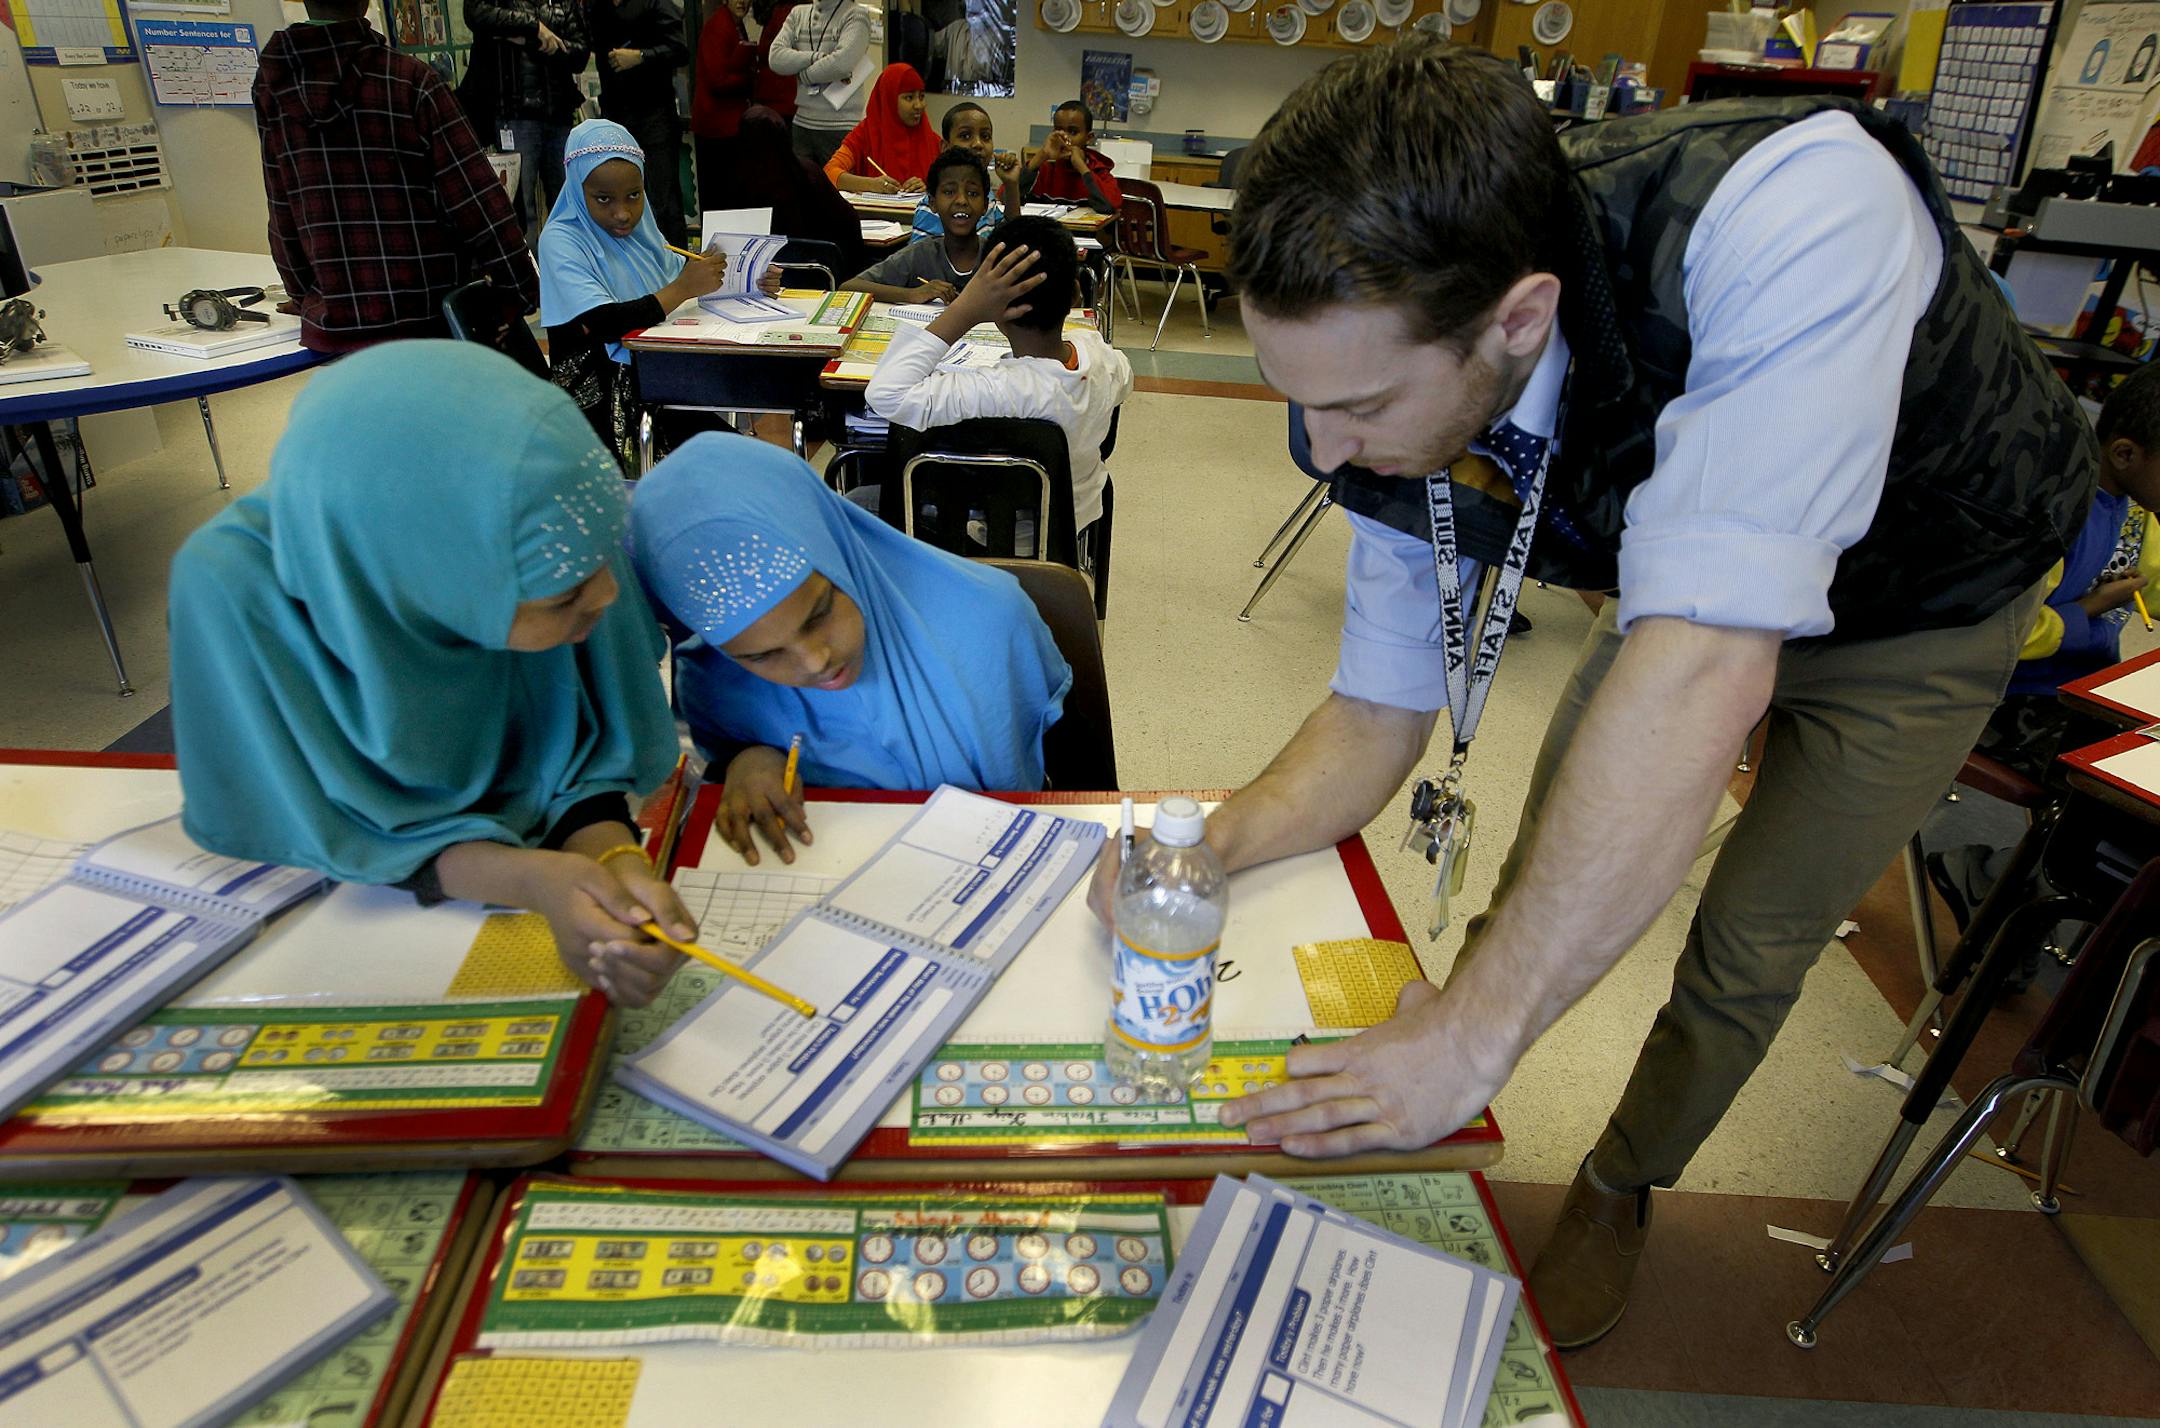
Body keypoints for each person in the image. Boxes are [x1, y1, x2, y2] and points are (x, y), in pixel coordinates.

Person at [1084, 41, 2093, 1348]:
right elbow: (1378, 710)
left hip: (1928, 600)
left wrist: (1474, 1036)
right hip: (1694, 575)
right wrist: (1205, 848)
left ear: (1519, 318)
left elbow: (1706, 669)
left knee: (1748, 947)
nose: (1325, 451)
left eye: (1363, 403)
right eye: (1300, 398)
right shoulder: (1378, 382)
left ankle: (1622, 1182)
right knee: (1538, 878)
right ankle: (1455, 1089)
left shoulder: (1791, 207)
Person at [168, 342, 692, 1009]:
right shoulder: (236, 595)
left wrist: (616, 864)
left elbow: (579, 762)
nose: (608, 597)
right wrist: (533, 880)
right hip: (337, 943)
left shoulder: (557, 539)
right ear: (433, 583)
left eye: (603, 561)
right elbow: (338, 829)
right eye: (563, 597)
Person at [629, 434, 1072, 865]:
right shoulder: (713, 681)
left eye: (819, 613)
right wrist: (748, 759)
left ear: (834, 545)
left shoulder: (989, 626)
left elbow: (1049, 788)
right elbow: (725, 754)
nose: (816, 660)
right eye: (762, 656)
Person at [1930, 361, 2160, 926]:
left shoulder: (2138, 512)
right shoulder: (2061, 508)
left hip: (2073, 692)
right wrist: (2091, 610)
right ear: (2125, 453)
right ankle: (1996, 887)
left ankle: (2019, 896)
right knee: (2109, 799)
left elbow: (2154, 582)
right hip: (2007, 695)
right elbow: (2005, 631)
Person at [253, 0, 536, 353]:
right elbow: (477, 200)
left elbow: (281, 204)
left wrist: (304, 295)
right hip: (427, 316)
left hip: (338, 324)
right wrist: (517, 290)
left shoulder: (272, 86)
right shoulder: (410, 79)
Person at [865, 217, 1131, 546]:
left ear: (995, 309)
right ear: (1075, 296)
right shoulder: (1104, 361)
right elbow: (1122, 374)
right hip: (1066, 537)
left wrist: (964, 309)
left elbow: (886, 394)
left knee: (855, 502)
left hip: (983, 538)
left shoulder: (996, 391)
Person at [539, 120, 732, 458]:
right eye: (603, 199)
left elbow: (680, 277)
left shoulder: (644, 233)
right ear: (577, 192)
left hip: (659, 377)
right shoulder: (561, 240)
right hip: (605, 399)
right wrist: (682, 288)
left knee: (741, 452)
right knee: (727, 459)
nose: (623, 213)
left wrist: (740, 277)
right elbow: (605, 322)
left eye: (634, 195)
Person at [461, 0, 591, 238]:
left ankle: (567, 259)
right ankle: (527, 262)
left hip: (559, 113)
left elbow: (581, 54)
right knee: (520, 211)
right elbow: (475, 14)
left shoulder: (564, 2)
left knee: (569, 205)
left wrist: (530, 40)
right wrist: (535, 28)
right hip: (514, 113)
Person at [587, 0, 691, 245]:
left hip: (654, 116)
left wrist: (642, 56)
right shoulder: (597, 7)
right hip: (614, 118)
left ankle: (677, 264)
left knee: (662, 201)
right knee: (616, 200)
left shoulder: (656, 2)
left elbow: (680, 50)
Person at [732, 104, 869, 277]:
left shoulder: (735, 179)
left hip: (761, 277)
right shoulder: (806, 173)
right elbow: (848, 220)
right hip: (821, 274)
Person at [841, 145, 985, 304]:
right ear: (932, 203)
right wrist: (911, 294)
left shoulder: (995, 256)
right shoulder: (920, 255)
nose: (962, 201)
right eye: (949, 192)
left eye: (972, 193)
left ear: (985, 204)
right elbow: (848, 288)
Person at [766, 0, 871, 166]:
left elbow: (840, 65)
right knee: (802, 182)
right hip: (802, 123)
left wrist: (802, 75)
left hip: (840, 126)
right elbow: (775, 58)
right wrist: (818, 57)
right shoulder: (798, 13)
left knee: (836, 182)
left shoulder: (856, 15)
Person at [909, 101, 1020, 242]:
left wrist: (1011, 185)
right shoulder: (933, 207)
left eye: (985, 136)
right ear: (945, 147)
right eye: (965, 136)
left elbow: (1010, 236)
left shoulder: (986, 196)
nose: (978, 144)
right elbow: (920, 255)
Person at [823, 63, 937, 194]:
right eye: (909, 98)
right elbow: (829, 172)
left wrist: (928, 187)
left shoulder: (931, 140)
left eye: (921, 97)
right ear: (889, 98)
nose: (918, 105)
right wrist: (871, 184)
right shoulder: (864, 134)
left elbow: (948, 184)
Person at [692, 0, 756, 211]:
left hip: (729, 123)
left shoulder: (735, 24)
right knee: (720, 197)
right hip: (717, 126)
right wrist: (749, 77)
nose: (742, 2)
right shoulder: (718, 26)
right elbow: (718, 80)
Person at [1021, 100, 1121, 214]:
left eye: (1073, 132)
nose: (1065, 138)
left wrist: (1082, 167)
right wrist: (1042, 155)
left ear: (1089, 138)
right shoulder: (1046, 169)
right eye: (1059, 131)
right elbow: (1009, 198)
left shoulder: (1098, 171)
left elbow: (1111, 206)